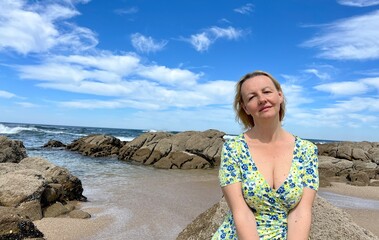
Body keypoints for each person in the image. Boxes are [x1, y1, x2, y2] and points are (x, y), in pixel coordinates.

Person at [212, 70, 319, 240]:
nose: (262, 99)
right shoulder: (233, 148)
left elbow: (301, 211)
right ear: (246, 108)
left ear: (280, 95)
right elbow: (240, 212)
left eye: (267, 91)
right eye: (252, 97)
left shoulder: (307, 150)